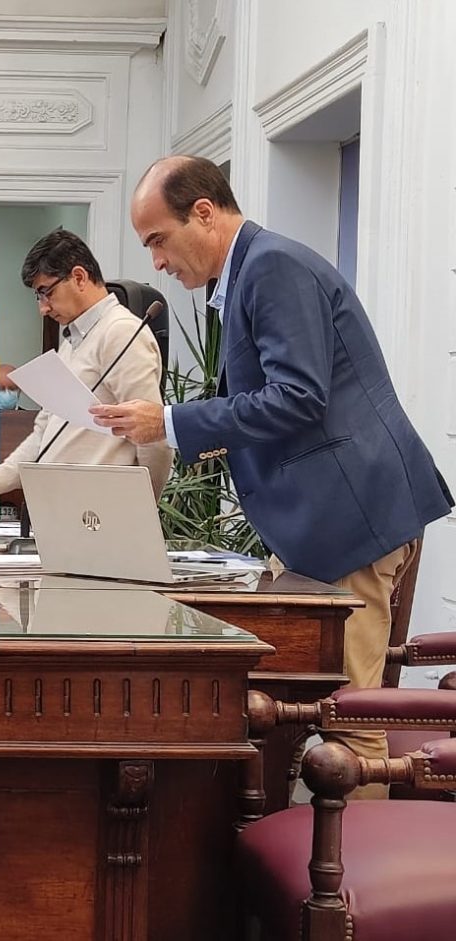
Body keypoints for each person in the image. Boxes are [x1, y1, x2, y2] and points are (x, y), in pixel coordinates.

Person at [90, 154, 453, 796]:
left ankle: (358, 853)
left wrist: (171, 422)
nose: (158, 263)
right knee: (328, 711)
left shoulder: (272, 266)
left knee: (351, 725)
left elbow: (298, 397)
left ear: (204, 213)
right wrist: (198, 437)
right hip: (325, 523)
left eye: (158, 240)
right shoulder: (247, 274)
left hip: (349, 520)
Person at [0, 229, 172, 520]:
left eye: (47, 292)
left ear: (79, 277)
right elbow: (44, 436)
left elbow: (154, 438)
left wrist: (141, 511)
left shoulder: (121, 333)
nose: (43, 308)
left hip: (102, 518)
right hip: (63, 514)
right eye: (38, 296)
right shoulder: (72, 341)